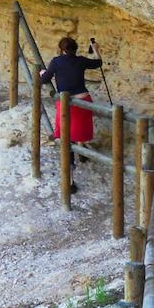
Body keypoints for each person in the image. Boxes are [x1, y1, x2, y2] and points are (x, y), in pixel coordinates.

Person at [39, 36, 103, 194]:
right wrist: (95, 49)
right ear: (75, 49)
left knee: (68, 138)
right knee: (79, 130)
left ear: (61, 50)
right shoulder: (81, 60)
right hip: (84, 100)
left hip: (67, 103)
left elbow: (44, 79)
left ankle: (70, 182)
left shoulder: (56, 61)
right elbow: (98, 63)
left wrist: (42, 72)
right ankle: (82, 151)